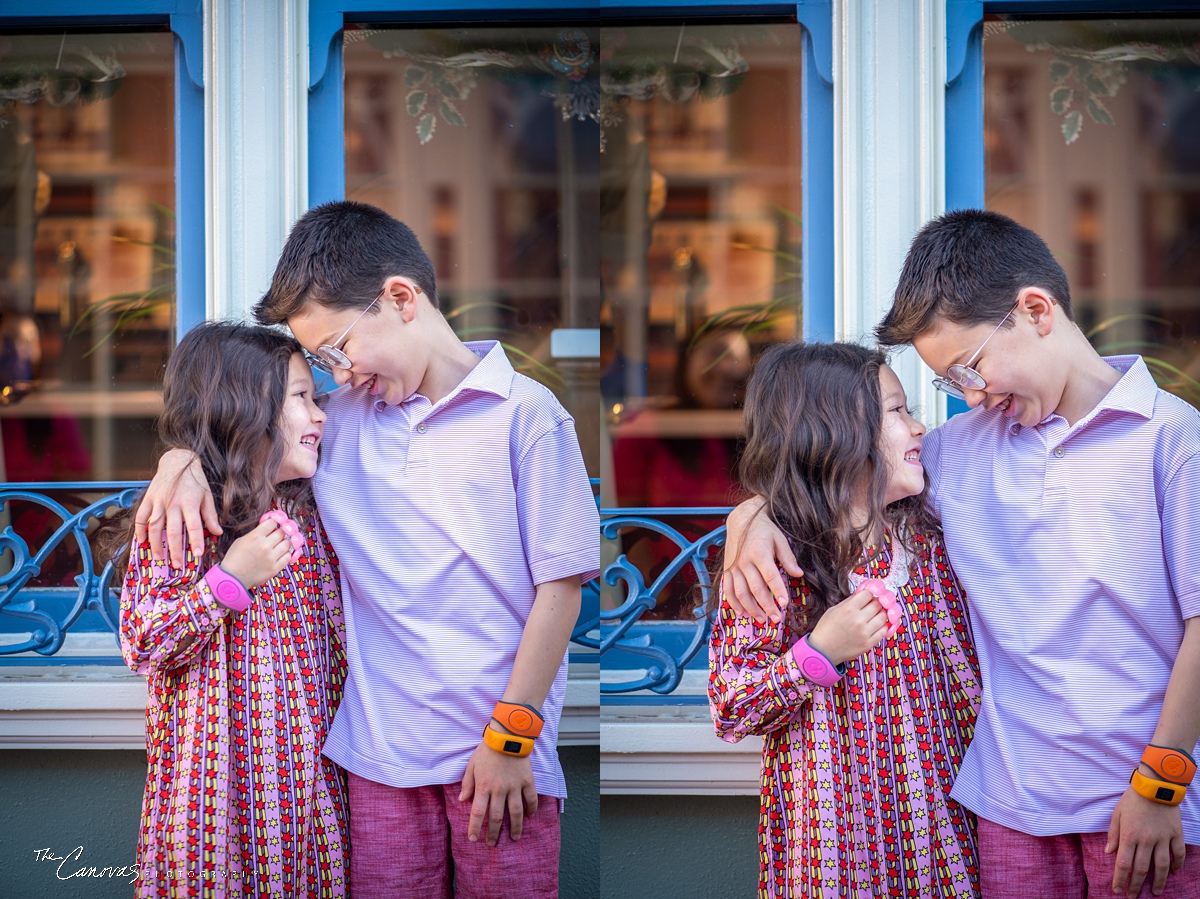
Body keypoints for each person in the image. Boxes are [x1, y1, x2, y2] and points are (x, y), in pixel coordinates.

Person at [722, 210, 1200, 899]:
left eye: (970, 368)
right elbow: (844, 473)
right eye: (952, 385)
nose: (972, 396)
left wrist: (1162, 781)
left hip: (1147, 801)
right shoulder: (960, 449)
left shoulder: (1174, 442)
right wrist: (757, 511)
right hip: (1007, 810)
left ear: (1036, 310)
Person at [134, 201, 600, 898]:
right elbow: (248, 439)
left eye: (335, 350)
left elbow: (561, 587)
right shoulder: (339, 424)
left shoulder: (527, 416)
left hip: (502, 757)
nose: (337, 376)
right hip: (376, 763)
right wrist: (182, 459)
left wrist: (512, 735)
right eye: (319, 364)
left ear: (401, 299)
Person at [709, 341, 981, 898]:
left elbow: (970, 681)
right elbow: (732, 707)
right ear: (836, 436)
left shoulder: (929, 543)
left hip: (938, 834)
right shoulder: (776, 565)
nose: (920, 425)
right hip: (831, 844)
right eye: (898, 411)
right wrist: (817, 654)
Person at [117, 321, 348, 897]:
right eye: (300, 397)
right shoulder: (184, 518)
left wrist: (181, 454)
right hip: (213, 808)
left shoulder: (312, 515)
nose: (320, 414)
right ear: (243, 410)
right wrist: (227, 580)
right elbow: (143, 643)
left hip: (308, 804)